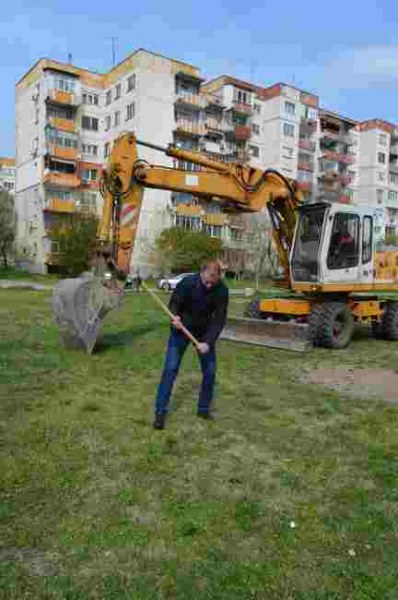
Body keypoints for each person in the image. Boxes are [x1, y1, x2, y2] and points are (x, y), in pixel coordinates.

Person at [153, 259, 229, 430]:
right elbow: (174, 304)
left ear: (219, 277)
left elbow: (219, 319)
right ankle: (160, 412)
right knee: (170, 369)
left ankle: (203, 409)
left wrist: (208, 343)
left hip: (203, 333)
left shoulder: (222, 290)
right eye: (207, 281)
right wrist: (176, 317)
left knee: (210, 371)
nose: (209, 285)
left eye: (213, 282)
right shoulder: (188, 283)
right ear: (201, 272)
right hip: (181, 330)